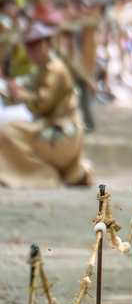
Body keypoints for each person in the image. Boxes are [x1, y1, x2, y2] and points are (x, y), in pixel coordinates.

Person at [0, 22, 93, 188]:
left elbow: (41, 104)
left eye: (34, 46)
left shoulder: (54, 69)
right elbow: (23, 85)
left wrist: (21, 95)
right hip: (51, 124)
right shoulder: (42, 67)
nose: (30, 51)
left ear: (45, 45)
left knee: (6, 133)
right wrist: (11, 89)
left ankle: (43, 174)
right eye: (28, 47)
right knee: (9, 129)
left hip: (62, 130)